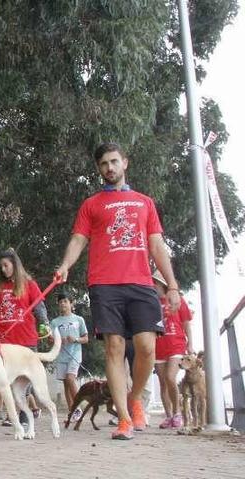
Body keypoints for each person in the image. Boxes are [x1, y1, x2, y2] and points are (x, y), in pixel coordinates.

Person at [56, 142, 181, 440]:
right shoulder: (92, 204)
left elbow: (157, 246)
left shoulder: (144, 202)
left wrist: (172, 284)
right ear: (99, 169)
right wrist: (65, 265)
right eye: (103, 164)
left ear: (125, 163)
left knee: (147, 347)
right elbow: (77, 240)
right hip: (104, 284)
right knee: (114, 347)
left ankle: (134, 397)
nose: (109, 168)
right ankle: (124, 418)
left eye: (114, 161)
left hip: (140, 282)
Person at [0, 247, 50, 426]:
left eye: (6, 265)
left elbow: (39, 308)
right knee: (7, 379)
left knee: (25, 379)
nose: (3, 269)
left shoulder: (30, 284)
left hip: (27, 339)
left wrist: (45, 325)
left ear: (15, 265)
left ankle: (21, 413)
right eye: (1, 267)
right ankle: (16, 413)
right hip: (6, 341)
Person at [153, 270, 193, 429]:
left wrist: (190, 343)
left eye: (155, 282)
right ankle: (169, 416)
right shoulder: (152, 302)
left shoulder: (178, 300)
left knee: (170, 377)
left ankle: (177, 413)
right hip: (158, 346)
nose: (153, 285)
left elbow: (186, 322)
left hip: (176, 343)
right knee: (163, 382)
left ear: (162, 284)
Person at [49, 292, 88, 423]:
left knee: (71, 378)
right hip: (61, 356)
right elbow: (51, 339)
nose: (63, 304)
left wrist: (75, 339)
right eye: (60, 302)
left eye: (65, 301)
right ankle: (72, 412)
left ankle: (78, 408)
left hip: (75, 354)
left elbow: (86, 338)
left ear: (71, 303)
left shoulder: (79, 319)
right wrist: (58, 340)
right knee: (66, 383)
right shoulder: (55, 322)